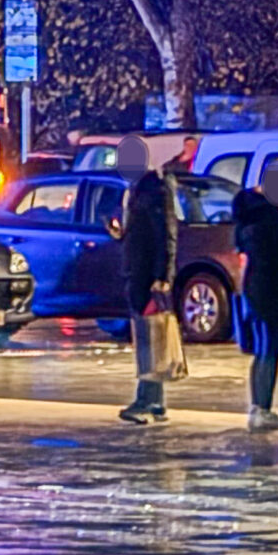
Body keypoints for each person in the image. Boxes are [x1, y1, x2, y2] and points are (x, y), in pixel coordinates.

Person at [231, 163, 278, 432]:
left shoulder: (246, 216)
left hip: (254, 287)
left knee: (262, 350)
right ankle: (263, 409)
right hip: (274, 287)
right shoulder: (272, 217)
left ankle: (258, 407)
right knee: (270, 350)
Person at [117, 135, 179, 425]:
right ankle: (154, 400)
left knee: (148, 336)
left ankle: (146, 399)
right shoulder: (138, 188)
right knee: (148, 335)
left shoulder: (155, 188)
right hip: (137, 271)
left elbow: (166, 233)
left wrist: (163, 275)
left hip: (146, 275)